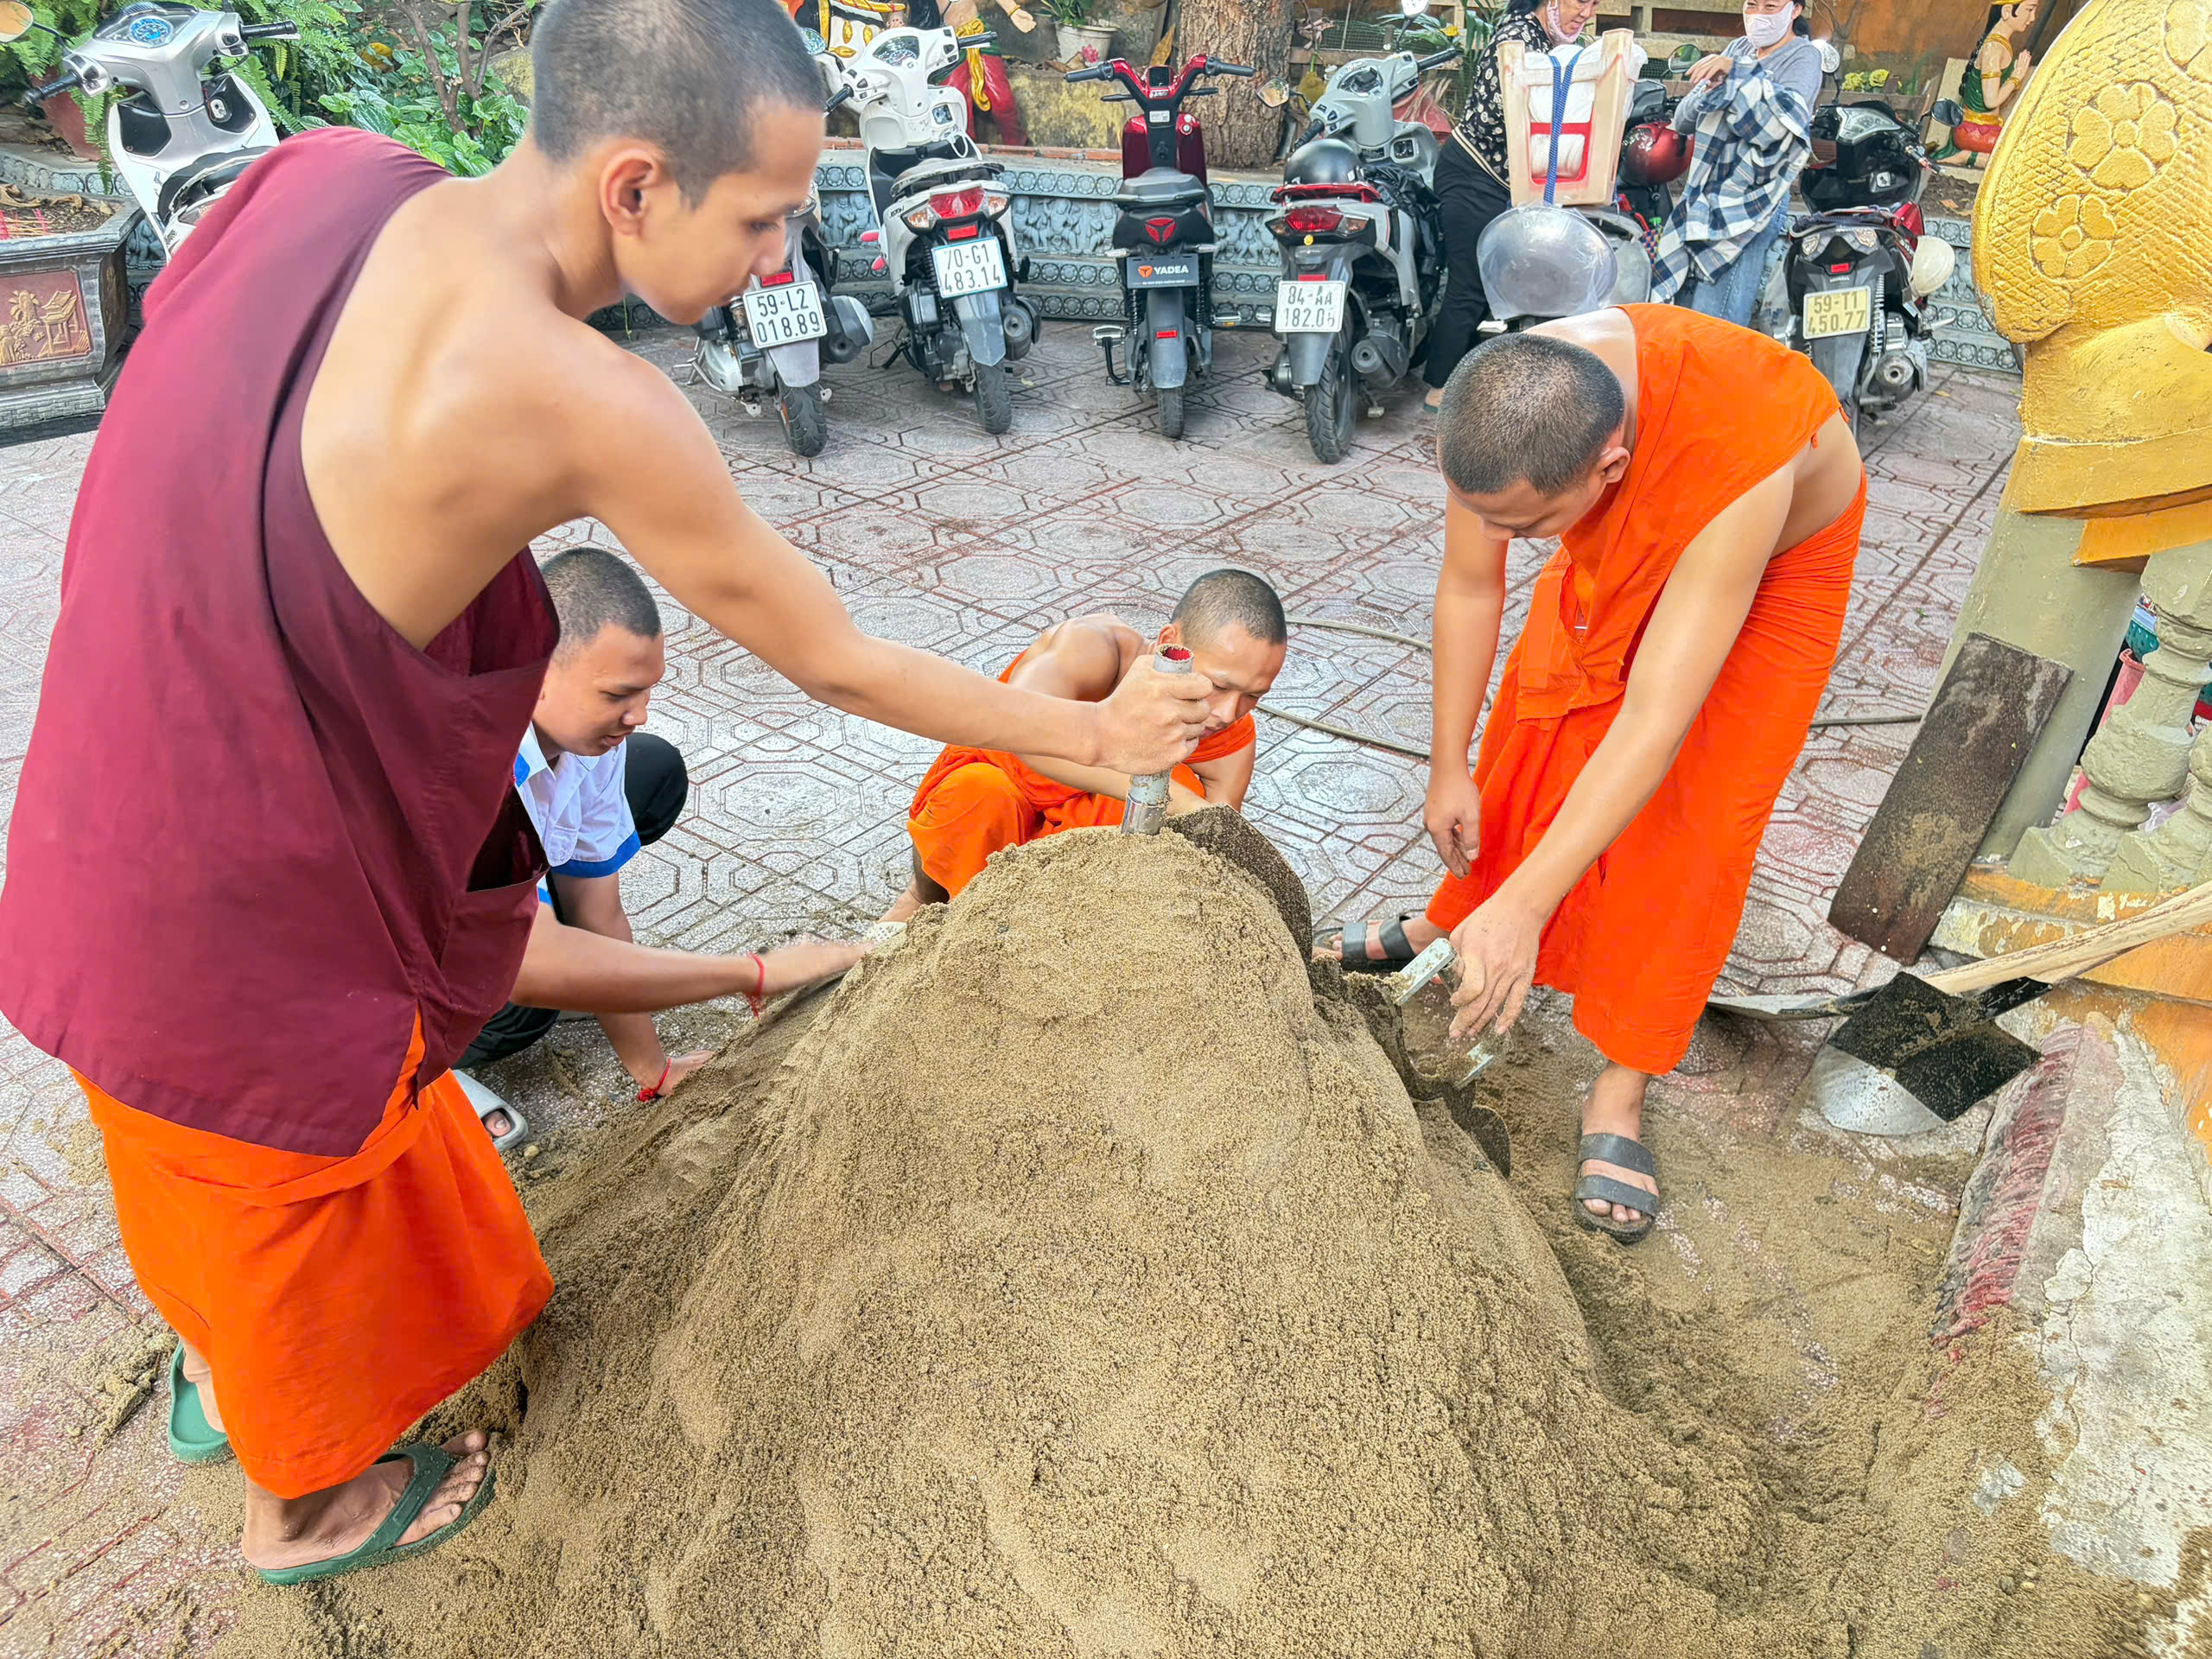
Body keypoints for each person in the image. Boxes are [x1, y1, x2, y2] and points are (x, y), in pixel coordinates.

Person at [0, 0, 1211, 1586]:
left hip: (103, 777)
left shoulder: (320, 177)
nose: (784, 255)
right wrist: (1101, 746)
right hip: (245, 895)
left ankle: (218, 1374)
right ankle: (306, 1506)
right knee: (290, 1187)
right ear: (636, 186)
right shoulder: (578, 395)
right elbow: (830, 656)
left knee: (234, 1185)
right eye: (766, 217)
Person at [1325, 310, 1864, 1243]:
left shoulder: (1735, 457)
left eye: (1526, 525)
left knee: (1700, 808)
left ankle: (1620, 1084)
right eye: (1489, 514)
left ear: (1608, 472)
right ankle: (1452, 919)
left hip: (1774, 557)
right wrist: (1447, 765)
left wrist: (1533, 906)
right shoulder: (1501, 408)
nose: (1505, 537)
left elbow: (1657, 718)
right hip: (1631, 493)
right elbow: (1468, 583)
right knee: (1539, 714)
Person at [450, 547, 862, 1147]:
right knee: (520, 1003)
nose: (639, 714)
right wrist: (755, 973)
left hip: (486, 885)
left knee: (654, 770)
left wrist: (653, 1070)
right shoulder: (468, 764)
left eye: (646, 691)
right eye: (618, 695)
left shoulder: (589, 741)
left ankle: (554, 929)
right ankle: (427, 1074)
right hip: (352, 962)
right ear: (535, 672)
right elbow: (524, 965)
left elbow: (600, 911)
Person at [887, 569, 1288, 914]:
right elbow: (1022, 731)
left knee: (1174, 797)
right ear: (1171, 642)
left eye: (1254, 696)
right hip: (1002, 807)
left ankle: (1068, 927)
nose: (1228, 713)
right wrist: (1160, 791)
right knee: (977, 792)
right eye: (1218, 685)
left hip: (1069, 865)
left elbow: (1218, 851)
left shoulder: (1233, 736)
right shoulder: (1094, 648)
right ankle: (922, 900)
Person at [1422, 0, 1600, 412]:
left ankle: (1461, 377)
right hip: (1472, 174)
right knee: (1470, 286)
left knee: (1492, 284)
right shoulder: (1519, 38)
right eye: (1580, 1)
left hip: (1502, 182)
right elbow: (1525, 118)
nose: (1586, 13)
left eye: (1593, 4)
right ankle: (1438, 389)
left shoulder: (1544, 40)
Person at [1650, 0, 1822, 327]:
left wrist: (1739, 77)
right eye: (1751, 4)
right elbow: (1685, 119)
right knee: (1685, 314)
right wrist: (1718, 87)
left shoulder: (1804, 57)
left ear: (1796, 10)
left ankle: (1718, 379)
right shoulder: (1737, 49)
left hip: (1753, 205)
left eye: (1770, 7)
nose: (1758, 15)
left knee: (1719, 320)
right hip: (1705, 199)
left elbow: (1783, 128)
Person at [901, 0, 1035, 147]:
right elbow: (898, 7)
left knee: (1002, 100)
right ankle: (964, 149)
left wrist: (1013, 10)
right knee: (957, 105)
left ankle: (1018, 145)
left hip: (978, 34)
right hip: (947, 44)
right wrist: (896, 19)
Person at [1927, 2, 2037, 170]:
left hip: (1984, 127)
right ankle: (1966, 157)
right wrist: (2016, 78)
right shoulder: (1994, 48)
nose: (2033, 18)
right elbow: (1991, 101)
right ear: (2007, 11)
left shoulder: (1999, 44)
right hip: (1975, 132)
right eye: (2029, 10)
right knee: (2014, 158)